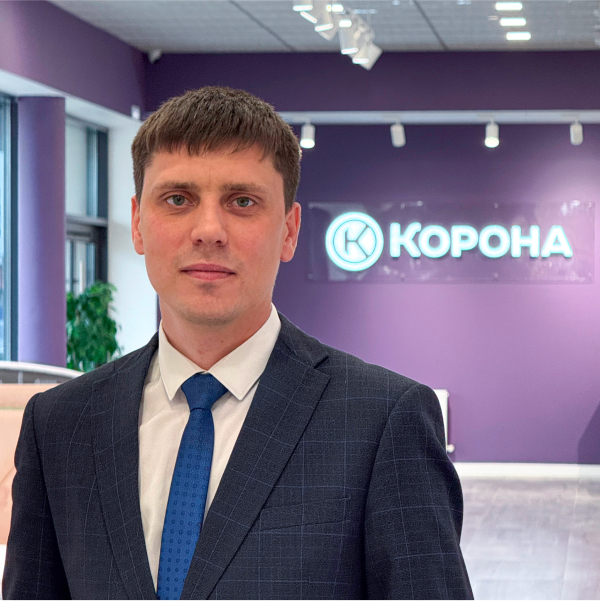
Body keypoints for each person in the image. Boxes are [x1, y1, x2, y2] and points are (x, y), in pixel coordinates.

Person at [2, 87, 472, 600]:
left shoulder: (381, 422)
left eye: (242, 201)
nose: (209, 230)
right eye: (177, 199)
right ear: (137, 223)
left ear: (289, 230)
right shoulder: (61, 425)